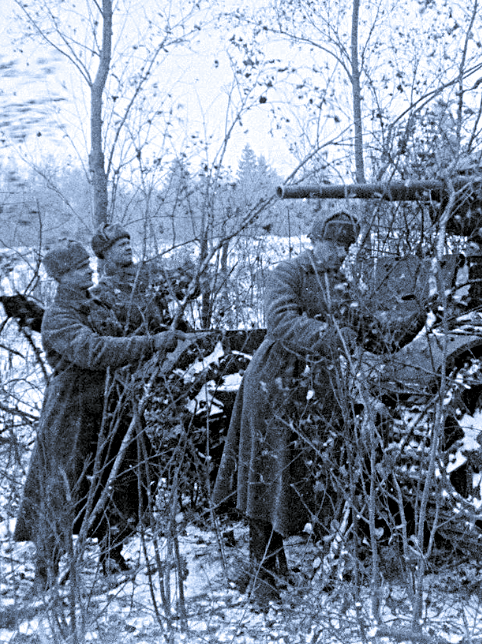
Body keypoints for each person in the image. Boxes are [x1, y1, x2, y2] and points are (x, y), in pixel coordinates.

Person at [14, 240, 188, 589]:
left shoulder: (94, 305)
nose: (88, 269)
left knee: (132, 475)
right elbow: (93, 351)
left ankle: (113, 552)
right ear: (61, 277)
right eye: (79, 268)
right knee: (62, 486)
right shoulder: (59, 316)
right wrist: (152, 343)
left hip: (113, 401)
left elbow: (125, 331)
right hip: (73, 408)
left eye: (86, 264)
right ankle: (46, 570)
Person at [211, 213, 363, 605]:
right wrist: (330, 336)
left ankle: (279, 563)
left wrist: (420, 318)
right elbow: (280, 322)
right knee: (266, 471)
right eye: (334, 245)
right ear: (315, 241)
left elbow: (368, 330)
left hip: (319, 390)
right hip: (275, 382)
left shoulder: (344, 282)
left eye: (347, 247)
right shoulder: (287, 273)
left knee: (302, 472)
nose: (342, 254)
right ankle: (262, 572)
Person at [90, 223, 189, 334]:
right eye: (121, 245)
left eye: (128, 243)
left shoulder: (148, 272)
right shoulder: (100, 293)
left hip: (169, 341)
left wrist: (190, 277)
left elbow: (187, 288)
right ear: (107, 252)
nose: (128, 248)